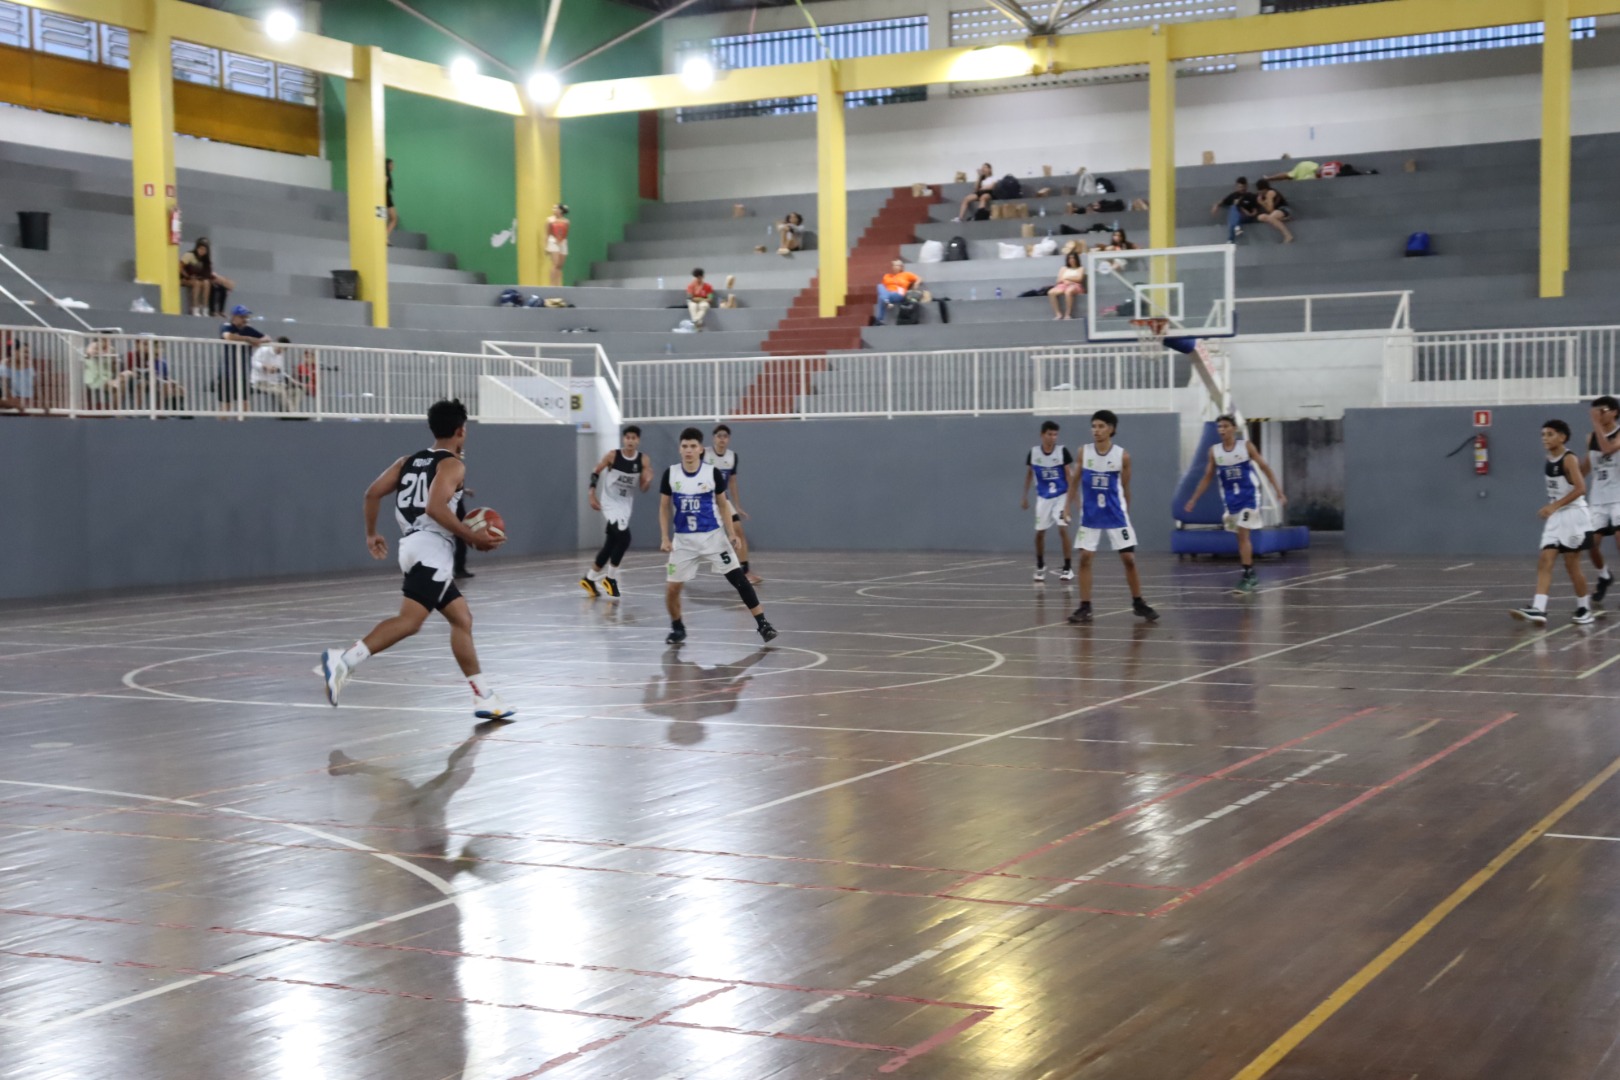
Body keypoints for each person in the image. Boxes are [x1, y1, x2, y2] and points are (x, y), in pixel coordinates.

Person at [318, 399, 514, 718]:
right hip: (430, 549)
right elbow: (434, 508)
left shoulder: (407, 461)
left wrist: (371, 533)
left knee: (461, 619)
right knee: (409, 622)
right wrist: (472, 536)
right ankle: (343, 661)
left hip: (412, 546)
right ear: (461, 431)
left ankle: (484, 697)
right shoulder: (453, 465)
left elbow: (371, 493)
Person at [660, 426, 777, 645]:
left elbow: (723, 504)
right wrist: (665, 537)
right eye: (684, 446)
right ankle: (677, 627)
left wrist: (731, 533)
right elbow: (663, 507)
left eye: (693, 446)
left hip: (713, 537)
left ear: (700, 449)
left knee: (739, 579)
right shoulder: (671, 474)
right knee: (672, 588)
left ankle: (763, 623)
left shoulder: (711, 473)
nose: (688, 450)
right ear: (679, 449)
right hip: (684, 541)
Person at [1066, 410, 1158, 624]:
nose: (1096, 430)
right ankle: (1085, 606)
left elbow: (1125, 488)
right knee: (1085, 558)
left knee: (1129, 559)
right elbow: (1075, 481)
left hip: (1115, 513)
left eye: (1101, 426)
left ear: (1111, 429)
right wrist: (1067, 507)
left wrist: (1126, 514)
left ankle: (1138, 602)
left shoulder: (1122, 456)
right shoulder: (1083, 452)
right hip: (1091, 514)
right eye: (1093, 426)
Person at [1184, 415, 1288, 593]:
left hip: (1249, 497)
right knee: (1240, 537)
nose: (1222, 430)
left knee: (1243, 532)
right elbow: (1207, 477)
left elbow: (1265, 468)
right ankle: (1250, 572)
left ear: (1234, 428)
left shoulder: (1245, 446)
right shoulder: (1214, 451)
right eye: (1219, 427)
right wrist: (1193, 499)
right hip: (1231, 500)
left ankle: (1248, 575)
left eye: (1225, 426)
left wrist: (1278, 491)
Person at [1511, 419, 1594, 625]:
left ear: (1562, 437)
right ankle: (1539, 608)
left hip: (1574, 515)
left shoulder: (1569, 458)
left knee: (1571, 565)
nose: (1545, 438)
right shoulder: (1550, 458)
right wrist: (1554, 508)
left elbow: (1581, 489)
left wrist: (1554, 506)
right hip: (1556, 517)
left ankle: (1584, 608)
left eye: (1550, 434)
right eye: (1543, 435)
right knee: (1545, 559)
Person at [582, 424, 651, 599]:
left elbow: (643, 488)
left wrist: (647, 480)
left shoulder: (643, 460)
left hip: (625, 505)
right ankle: (610, 579)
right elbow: (596, 471)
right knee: (625, 538)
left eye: (633, 438)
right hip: (610, 502)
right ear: (623, 439)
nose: (630, 441)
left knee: (611, 543)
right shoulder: (613, 455)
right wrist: (591, 494)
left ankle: (589, 578)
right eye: (627, 437)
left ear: (638, 440)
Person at [706, 424, 761, 585]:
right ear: (714, 438)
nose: (722, 439)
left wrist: (737, 505)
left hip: (723, 500)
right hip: (705, 501)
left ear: (728, 439)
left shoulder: (732, 457)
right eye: (719, 436)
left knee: (738, 531)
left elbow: (732, 482)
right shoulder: (704, 453)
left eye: (725, 436)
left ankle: (745, 571)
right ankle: (679, 561)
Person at [1023, 420, 1075, 581]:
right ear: (1042, 435)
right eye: (1050, 434)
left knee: (1062, 529)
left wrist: (1069, 503)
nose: (1053, 437)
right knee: (1040, 533)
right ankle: (1040, 566)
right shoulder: (1034, 453)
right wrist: (1024, 496)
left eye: (1055, 434)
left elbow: (1069, 476)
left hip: (1061, 496)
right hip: (1043, 497)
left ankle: (1068, 567)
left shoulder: (1062, 451)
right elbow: (1029, 474)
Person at [1583, 396, 1620, 606]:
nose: (1598, 414)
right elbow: (1587, 467)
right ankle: (1605, 576)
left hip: (1618, 496)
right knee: (1591, 544)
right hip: (1598, 499)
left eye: (1602, 410)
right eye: (1596, 411)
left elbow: (1607, 449)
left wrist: (1596, 423)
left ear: (1614, 412)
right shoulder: (1591, 438)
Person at [219, 305, 266, 414]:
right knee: (226, 404)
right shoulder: (227, 326)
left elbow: (266, 338)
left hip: (243, 372)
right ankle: (221, 423)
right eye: (242, 317)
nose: (245, 319)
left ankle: (244, 423)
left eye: (246, 317)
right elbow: (228, 336)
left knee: (245, 402)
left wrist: (257, 341)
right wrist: (248, 339)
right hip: (228, 372)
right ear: (234, 317)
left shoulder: (248, 329)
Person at [180, 238, 233, 318]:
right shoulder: (189, 255)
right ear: (197, 248)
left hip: (198, 279)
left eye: (204, 250)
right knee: (197, 283)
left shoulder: (206, 260)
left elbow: (207, 273)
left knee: (206, 283)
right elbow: (180, 267)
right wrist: (188, 276)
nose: (202, 251)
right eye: (200, 249)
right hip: (185, 279)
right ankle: (195, 308)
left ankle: (205, 309)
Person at [250, 336, 306, 413]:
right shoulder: (263, 350)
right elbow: (254, 362)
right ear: (276, 344)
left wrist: (295, 382)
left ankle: (288, 413)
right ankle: (293, 413)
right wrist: (265, 367)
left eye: (284, 349)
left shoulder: (280, 356)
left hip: (275, 383)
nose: (282, 350)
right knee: (281, 391)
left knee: (298, 391)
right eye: (281, 348)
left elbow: (281, 372)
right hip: (261, 382)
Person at [872, 258, 920, 326]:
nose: (894, 267)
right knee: (880, 286)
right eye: (893, 265)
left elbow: (918, 278)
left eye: (896, 265)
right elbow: (882, 288)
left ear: (901, 267)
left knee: (881, 297)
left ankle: (879, 319)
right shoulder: (887, 276)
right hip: (888, 293)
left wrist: (916, 283)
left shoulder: (906, 274)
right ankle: (886, 301)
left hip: (899, 293)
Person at [1211, 177, 1259, 242]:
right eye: (1240, 187)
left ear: (1246, 186)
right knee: (1233, 210)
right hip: (1236, 216)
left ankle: (1231, 238)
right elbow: (1221, 202)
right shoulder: (1233, 196)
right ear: (1236, 186)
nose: (1242, 189)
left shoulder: (1251, 196)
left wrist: (1249, 214)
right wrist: (1216, 205)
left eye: (1243, 187)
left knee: (1234, 208)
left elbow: (1255, 211)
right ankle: (1236, 228)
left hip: (1246, 217)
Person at [1048, 251, 1086, 320]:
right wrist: (1065, 281)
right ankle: (1058, 314)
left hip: (1075, 285)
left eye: (1073, 258)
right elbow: (1058, 280)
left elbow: (1079, 279)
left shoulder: (1080, 268)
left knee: (1068, 291)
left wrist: (1067, 278)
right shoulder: (1063, 268)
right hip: (1063, 285)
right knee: (1051, 292)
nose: (1071, 260)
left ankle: (1068, 314)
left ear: (1076, 259)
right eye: (1070, 258)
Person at [1255, 179, 1294, 244]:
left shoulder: (1270, 193)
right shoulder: (1263, 195)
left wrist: (1262, 203)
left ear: (1264, 189)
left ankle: (1288, 235)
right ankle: (1283, 219)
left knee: (1271, 217)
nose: (1259, 192)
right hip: (1275, 211)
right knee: (1260, 217)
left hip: (1283, 209)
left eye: (1260, 190)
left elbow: (1270, 209)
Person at [546, 204, 569, 286]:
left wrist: (561, 241)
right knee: (555, 264)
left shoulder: (566, 221)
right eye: (553, 208)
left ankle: (558, 284)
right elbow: (547, 233)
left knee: (560, 265)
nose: (554, 209)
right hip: (553, 241)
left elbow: (566, 233)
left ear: (561, 210)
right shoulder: (549, 220)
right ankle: (552, 284)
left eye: (556, 208)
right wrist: (546, 246)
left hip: (562, 242)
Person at [385, 158, 398, 243]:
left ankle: (384, 236)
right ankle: (384, 237)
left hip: (387, 198)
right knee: (384, 219)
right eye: (391, 164)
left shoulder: (388, 175)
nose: (393, 166)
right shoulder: (384, 175)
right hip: (383, 198)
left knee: (394, 218)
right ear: (387, 165)